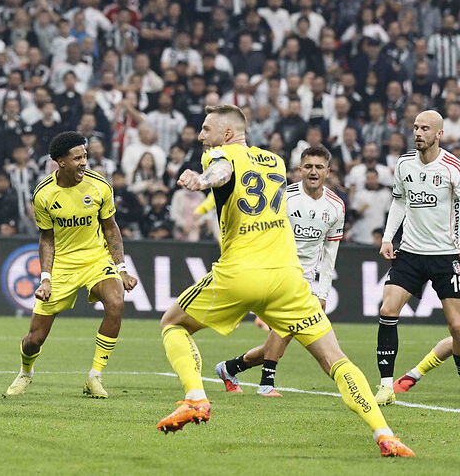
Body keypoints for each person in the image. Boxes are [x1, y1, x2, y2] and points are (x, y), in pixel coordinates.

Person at [160, 104, 412, 458]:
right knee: (335, 359)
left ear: (228, 134)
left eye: (206, 129)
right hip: (288, 279)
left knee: (172, 324)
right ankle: (385, 434)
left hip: (241, 272)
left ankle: (195, 398)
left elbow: (222, 170)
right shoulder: (274, 161)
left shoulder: (218, 155)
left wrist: (201, 182)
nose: (201, 136)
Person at [4, 132, 137, 400]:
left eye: (85, 156)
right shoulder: (43, 195)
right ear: (60, 162)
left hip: (95, 260)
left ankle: (94, 376)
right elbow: (46, 238)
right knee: (34, 339)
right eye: (78, 158)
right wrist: (45, 278)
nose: (84, 162)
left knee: (116, 302)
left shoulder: (100, 186)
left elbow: (111, 228)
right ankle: (25, 373)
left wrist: (121, 268)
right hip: (62, 266)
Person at [214, 146, 345, 395]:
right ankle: (266, 383)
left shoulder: (336, 206)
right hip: (276, 270)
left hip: (306, 279)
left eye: (319, 167)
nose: (313, 172)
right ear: (299, 171)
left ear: (328, 172)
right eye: (308, 166)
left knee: (279, 343)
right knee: (284, 330)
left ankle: (230, 368)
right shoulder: (283, 197)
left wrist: (323, 293)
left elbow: (330, 255)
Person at [374, 110, 460, 405]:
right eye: (415, 128)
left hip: (446, 255)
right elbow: (399, 200)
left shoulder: (452, 168)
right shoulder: (404, 164)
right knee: (388, 310)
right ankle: (386, 386)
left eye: (425, 129)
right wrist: (388, 237)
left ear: (439, 134)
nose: (417, 133)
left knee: (458, 327)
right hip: (410, 251)